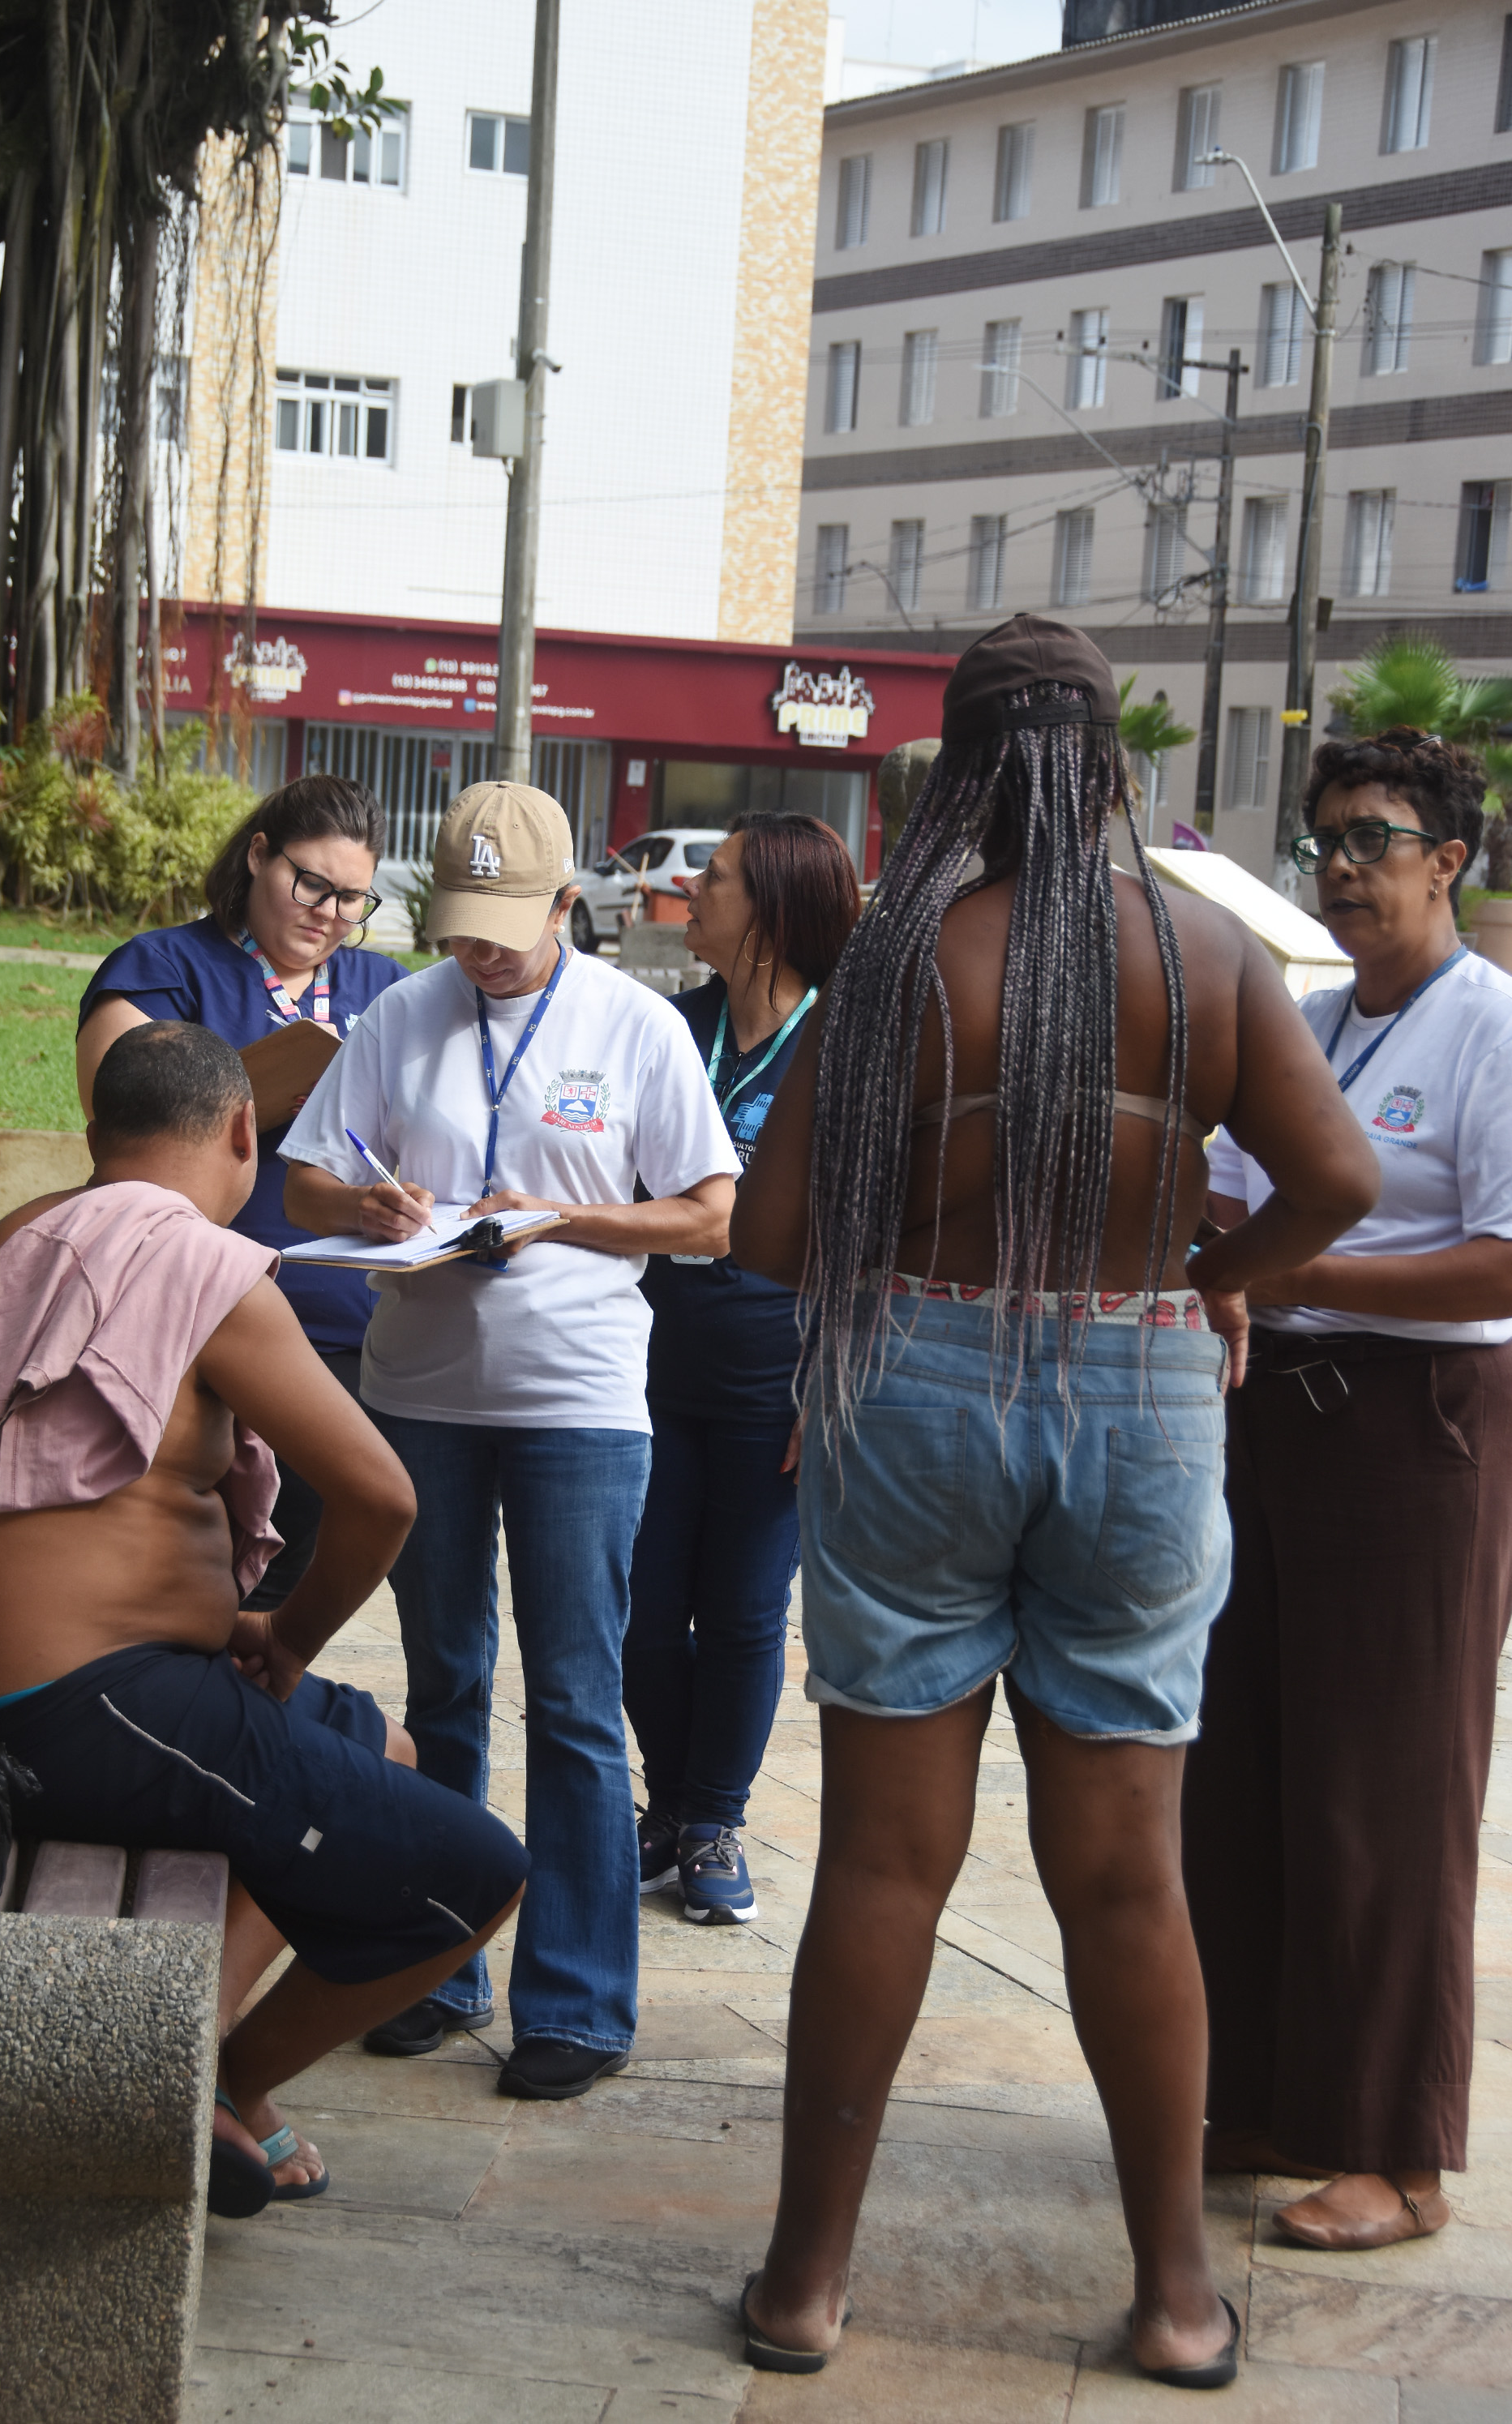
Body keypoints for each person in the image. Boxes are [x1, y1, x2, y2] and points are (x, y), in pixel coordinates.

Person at [728, 615, 1380, 2382]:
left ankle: (802, 2283)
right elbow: (1339, 1176)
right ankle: (1175, 2298)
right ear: (1106, 766)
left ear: (957, 768)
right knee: (1124, 1872)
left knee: (880, 1856)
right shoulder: (1210, 950)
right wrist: (1213, 1268)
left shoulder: (889, 961)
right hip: (1143, 1382)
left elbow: (767, 1239)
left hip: (915, 1386)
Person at [0, 1021, 528, 2216]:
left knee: (375, 1743)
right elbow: (382, 1495)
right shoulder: (207, 1265)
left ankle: (215, 2057)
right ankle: (216, 2078)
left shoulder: (9, 1239)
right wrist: (285, 1639)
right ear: (246, 1130)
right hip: (76, 1707)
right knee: (476, 1876)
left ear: (97, 1139)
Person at [281, 781, 739, 2098]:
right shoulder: (400, 1015)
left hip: (577, 1404)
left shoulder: (634, 1027)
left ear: (564, 905)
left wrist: (561, 1220)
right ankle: (437, 1966)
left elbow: (710, 1215)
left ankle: (579, 2004)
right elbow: (307, 1173)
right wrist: (365, 1205)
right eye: (459, 927)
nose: (476, 954)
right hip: (421, 1390)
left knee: (579, 1704)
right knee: (442, 1690)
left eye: (502, 927)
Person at [1186, 729, 1512, 2251]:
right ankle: (1261, 2096)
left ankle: (1396, 2151)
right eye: (1323, 839)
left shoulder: (1490, 1031)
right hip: (1275, 1426)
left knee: (1386, 1796)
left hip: (1416, 1431)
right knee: (1246, 1775)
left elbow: (1507, 1260)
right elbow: (1241, 1203)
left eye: (1373, 837)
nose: (1341, 865)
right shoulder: (1313, 1021)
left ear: (1451, 860)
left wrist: (1305, 1269)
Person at [77, 774, 405, 1611]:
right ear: (258, 854)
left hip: (346, 1322)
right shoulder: (162, 967)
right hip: (191, 1312)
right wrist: (257, 1091)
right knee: (190, 1566)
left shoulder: (388, 989)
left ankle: (249, 1708)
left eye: (353, 900)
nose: (329, 914)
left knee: (302, 1556)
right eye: (312, 884)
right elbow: (123, 1127)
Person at [624, 814, 859, 1923]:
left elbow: (875, 1226)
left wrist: (835, 1375)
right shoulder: (678, 1026)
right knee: (642, 1602)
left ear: (767, 909)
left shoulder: (848, 1042)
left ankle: (715, 1817)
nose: (689, 894)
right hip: (649, 1365)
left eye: (711, 880)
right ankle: (667, 1809)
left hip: (781, 1372)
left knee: (745, 1608)